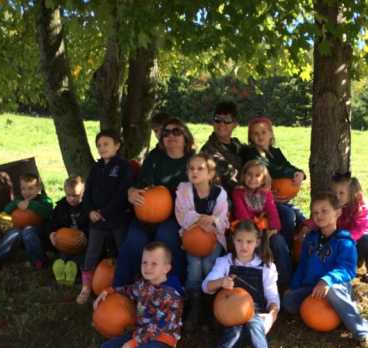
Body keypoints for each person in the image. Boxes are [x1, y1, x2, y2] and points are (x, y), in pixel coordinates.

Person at [74, 242, 184, 348]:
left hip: (162, 339)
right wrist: (108, 291)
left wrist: (132, 343)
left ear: (166, 268)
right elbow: (128, 290)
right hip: (140, 332)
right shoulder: (143, 284)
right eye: (144, 262)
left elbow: (156, 328)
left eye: (154, 264)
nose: (147, 267)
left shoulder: (171, 296)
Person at [191, 220, 280, 348]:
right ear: (233, 241)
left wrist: (271, 316)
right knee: (234, 330)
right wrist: (221, 282)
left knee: (253, 322)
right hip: (227, 314)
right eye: (239, 241)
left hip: (254, 314)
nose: (244, 246)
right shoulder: (226, 262)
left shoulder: (266, 266)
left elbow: (273, 299)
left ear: (257, 242)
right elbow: (206, 286)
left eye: (249, 242)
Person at [283, 191, 368, 348]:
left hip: (334, 286)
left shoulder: (345, 241)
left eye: (324, 210)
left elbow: (348, 269)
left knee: (334, 291)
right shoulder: (310, 239)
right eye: (315, 212)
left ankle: (364, 333)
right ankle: (339, 312)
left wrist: (327, 280)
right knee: (288, 301)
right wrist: (293, 286)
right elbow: (303, 266)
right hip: (312, 289)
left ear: (338, 212)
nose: (319, 215)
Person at [113, 117, 194, 286]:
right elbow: (141, 184)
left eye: (176, 131)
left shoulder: (192, 161)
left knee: (166, 237)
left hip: (176, 216)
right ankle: (125, 287)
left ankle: (172, 288)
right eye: (166, 133)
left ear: (185, 136)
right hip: (147, 212)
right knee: (135, 238)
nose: (171, 136)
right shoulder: (155, 157)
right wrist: (132, 191)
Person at [76, 130, 132, 304]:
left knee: (122, 252)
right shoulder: (96, 167)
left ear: (117, 145)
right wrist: (90, 211)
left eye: (106, 144)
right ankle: (86, 287)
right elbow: (87, 193)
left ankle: (125, 288)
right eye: (99, 145)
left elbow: (122, 194)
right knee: (92, 252)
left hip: (117, 219)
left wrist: (104, 212)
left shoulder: (124, 167)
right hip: (96, 221)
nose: (102, 148)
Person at [175, 153, 229, 330]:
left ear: (210, 174)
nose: (195, 172)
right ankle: (195, 302)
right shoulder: (183, 190)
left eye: (200, 169)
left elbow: (223, 220)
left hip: (213, 237)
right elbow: (182, 214)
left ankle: (211, 302)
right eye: (191, 168)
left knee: (208, 264)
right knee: (194, 266)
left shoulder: (219, 194)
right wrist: (202, 218)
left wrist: (212, 222)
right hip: (191, 238)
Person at [242, 116, 306, 245]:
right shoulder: (251, 154)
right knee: (288, 215)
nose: (260, 136)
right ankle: (285, 247)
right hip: (262, 199)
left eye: (264, 132)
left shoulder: (275, 152)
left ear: (271, 134)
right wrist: (291, 172)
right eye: (256, 133)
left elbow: (287, 165)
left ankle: (299, 248)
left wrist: (300, 173)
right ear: (251, 138)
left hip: (279, 198)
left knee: (302, 218)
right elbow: (273, 169)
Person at [232, 160, 291, 294]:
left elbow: (273, 214)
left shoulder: (266, 193)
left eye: (257, 175)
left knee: (278, 242)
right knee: (253, 247)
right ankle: (254, 286)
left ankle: (285, 284)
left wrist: (272, 229)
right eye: (249, 174)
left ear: (264, 179)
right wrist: (258, 234)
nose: (253, 178)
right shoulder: (238, 192)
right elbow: (243, 217)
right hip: (246, 232)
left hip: (265, 231)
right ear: (243, 175)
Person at [0, 173, 53, 271]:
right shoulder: (19, 200)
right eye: (23, 189)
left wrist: (30, 204)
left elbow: (47, 212)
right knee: (12, 234)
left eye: (30, 188)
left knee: (28, 231)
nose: (27, 192)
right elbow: (6, 210)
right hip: (20, 229)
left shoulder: (44, 200)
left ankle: (39, 260)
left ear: (38, 188)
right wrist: (17, 203)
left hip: (39, 231)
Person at [331, 172, 368, 283]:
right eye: (335, 193)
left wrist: (341, 238)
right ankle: (354, 261)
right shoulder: (336, 206)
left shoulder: (362, 209)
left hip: (367, 243)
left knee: (365, 237)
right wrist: (308, 226)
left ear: (353, 195)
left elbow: (359, 231)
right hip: (347, 243)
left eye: (341, 193)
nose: (337, 196)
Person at [48, 176, 89, 286]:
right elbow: (53, 222)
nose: (71, 199)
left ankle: (73, 271)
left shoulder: (87, 207)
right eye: (68, 195)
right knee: (63, 255)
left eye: (75, 195)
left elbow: (92, 224)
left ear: (83, 193)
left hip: (82, 241)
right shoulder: (61, 207)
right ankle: (61, 270)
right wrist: (52, 232)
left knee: (81, 257)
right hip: (65, 240)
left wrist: (85, 234)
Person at [200, 101, 245, 197]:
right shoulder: (207, 152)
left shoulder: (238, 146)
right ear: (213, 122)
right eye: (217, 119)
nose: (221, 124)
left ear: (235, 124)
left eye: (227, 120)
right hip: (223, 200)